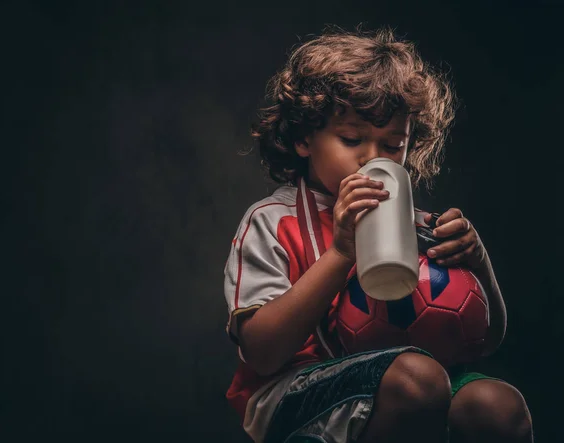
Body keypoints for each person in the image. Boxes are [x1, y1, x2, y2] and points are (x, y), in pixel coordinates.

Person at [223, 26, 533, 443]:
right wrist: (340, 254)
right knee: (416, 378)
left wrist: (479, 265)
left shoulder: (419, 227)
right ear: (303, 138)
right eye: (352, 139)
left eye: (393, 145)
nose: (372, 157)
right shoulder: (271, 221)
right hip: (293, 390)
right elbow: (262, 355)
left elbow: (483, 343)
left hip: (410, 376)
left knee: (498, 406)